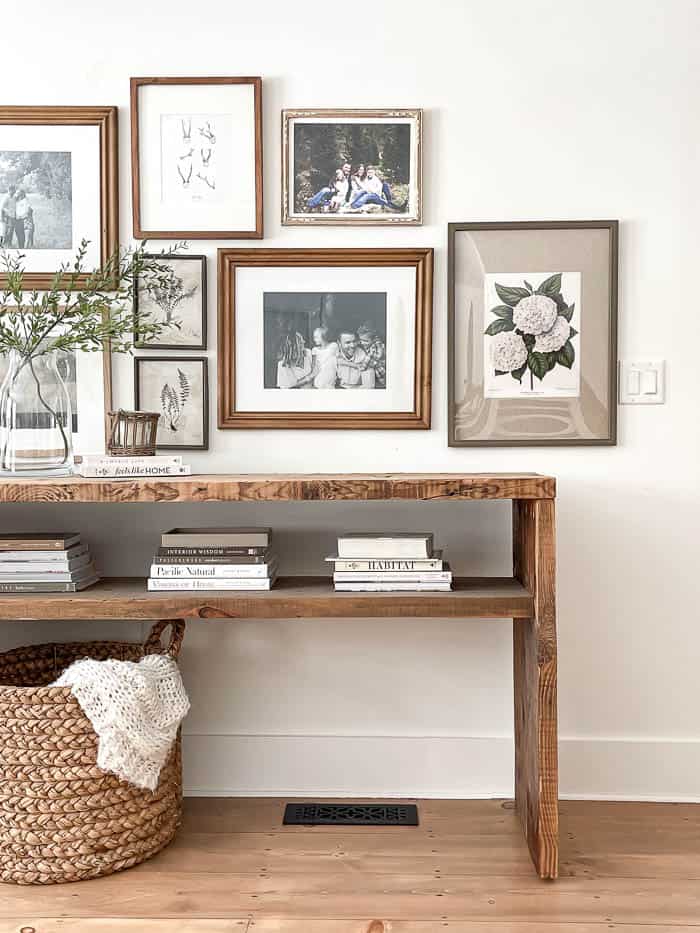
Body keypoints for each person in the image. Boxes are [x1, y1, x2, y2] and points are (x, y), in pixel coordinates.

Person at [357, 323, 386, 388]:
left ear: (373, 339)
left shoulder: (376, 346)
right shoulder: (368, 340)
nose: (362, 343)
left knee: (382, 379)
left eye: (365, 341)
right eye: (361, 340)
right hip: (374, 365)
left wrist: (362, 367)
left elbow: (370, 357)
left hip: (379, 367)